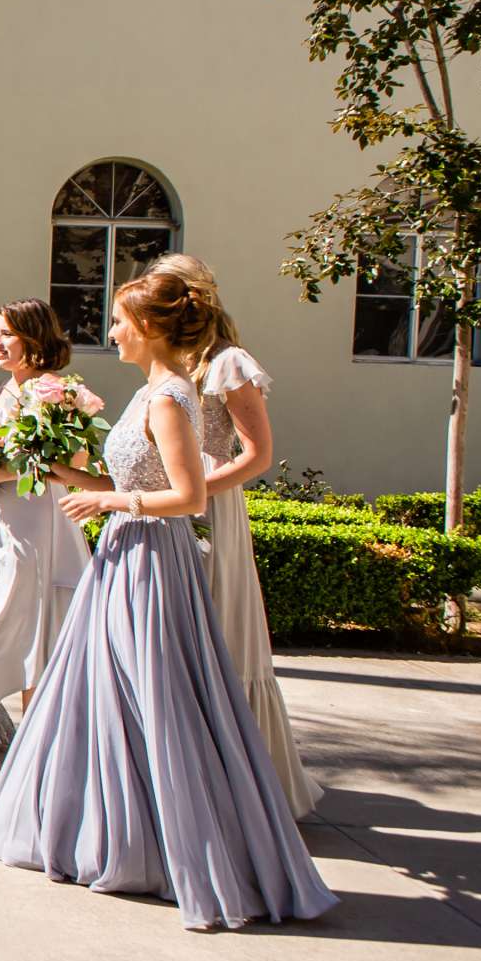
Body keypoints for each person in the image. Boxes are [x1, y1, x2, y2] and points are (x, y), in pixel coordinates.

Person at [0, 273, 336, 930]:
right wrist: (62, 473)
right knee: (105, 695)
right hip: (123, 554)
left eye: (118, 321)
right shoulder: (152, 392)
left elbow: (190, 496)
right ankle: (111, 834)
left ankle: (164, 848)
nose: (110, 332)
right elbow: (124, 478)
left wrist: (114, 501)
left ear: (149, 328)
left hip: (151, 562)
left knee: (156, 698)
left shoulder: (171, 398)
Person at [143, 252, 321, 816]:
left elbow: (258, 455)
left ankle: (241, 780)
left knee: (217, 632)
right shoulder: (171, 368)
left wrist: (200, 491)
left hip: (210, 513)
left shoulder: (228, 363)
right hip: (176, 506)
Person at [0, 299, 91, 770]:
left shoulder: (59, 393)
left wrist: (2, 469)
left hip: (41, 521)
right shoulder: (4, 391)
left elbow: (79, 466)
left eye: (6, 333)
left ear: (33, 337)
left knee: (36, 627)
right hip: (1, 517)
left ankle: (29, 741)